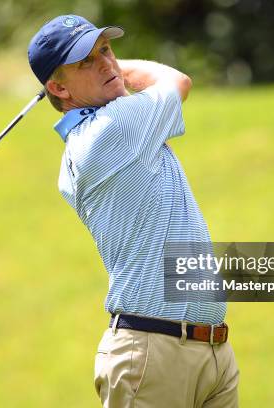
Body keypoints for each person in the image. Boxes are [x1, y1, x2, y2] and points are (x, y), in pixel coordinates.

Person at [28, 15, 239, 407]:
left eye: (106, 50)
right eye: (86, 62)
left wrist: (98, 73)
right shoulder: (113, 127)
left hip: (209, 351)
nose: (107, 63)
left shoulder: (107, 127)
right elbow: (177, 80)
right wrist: (119, 73)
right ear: (58, 87)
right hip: (154, 354)